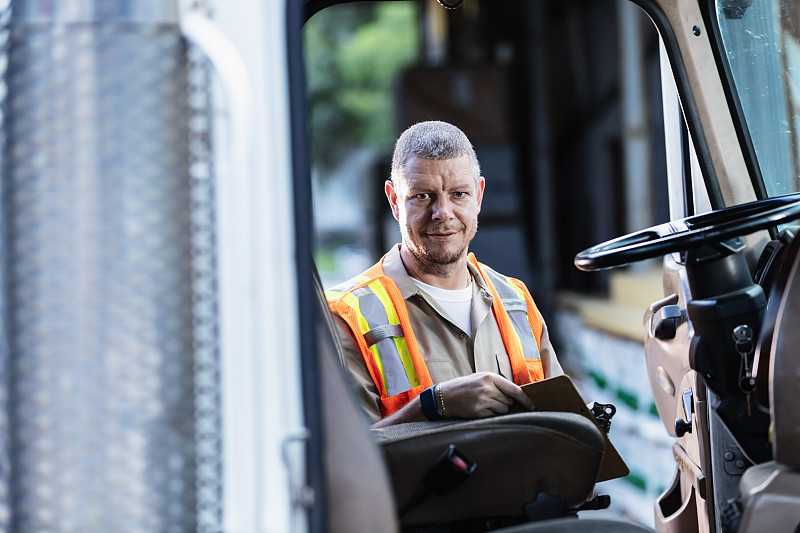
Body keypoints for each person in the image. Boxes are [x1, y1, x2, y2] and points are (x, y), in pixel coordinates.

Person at [326, 120, 563, 428]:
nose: (443, 213)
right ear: (394, 200)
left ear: (478, 196)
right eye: (423, 196)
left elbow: (561, 427)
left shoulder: (516, 301)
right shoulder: (347, 317)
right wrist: (431, 406)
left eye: (459, 194)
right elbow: (349, 451)